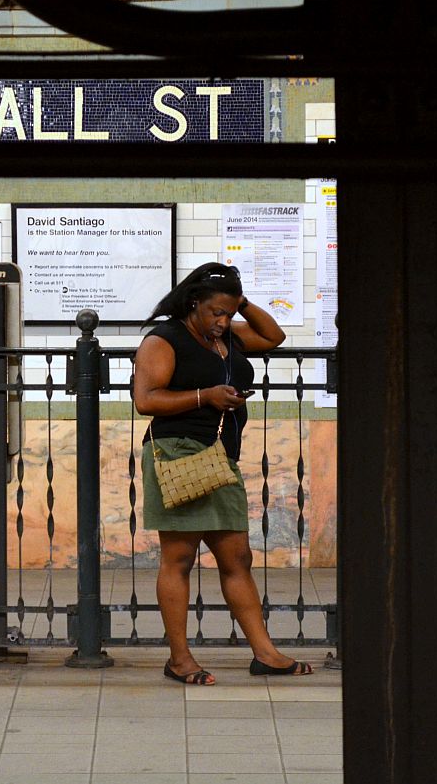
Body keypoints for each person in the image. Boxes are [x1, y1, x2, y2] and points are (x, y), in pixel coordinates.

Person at [133, 262, 313, 684]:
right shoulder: (164, 339)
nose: (222, 321)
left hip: (219, 458)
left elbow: (274, 336)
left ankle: (266, 655)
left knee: (238, 558)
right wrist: (206, 396)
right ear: (193, 302)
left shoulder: (227, 337)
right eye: (215, 311)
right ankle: (180, 660)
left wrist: (239, 299)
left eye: (228, 313)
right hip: (177, 454)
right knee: (179, 558)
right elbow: (147, 400)